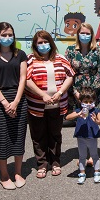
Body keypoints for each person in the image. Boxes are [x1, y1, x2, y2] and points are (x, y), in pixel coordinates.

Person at [25, 30, 75, 179]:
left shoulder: (60, 58)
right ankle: (42, 163)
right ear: (35, 45)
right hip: (37, 105)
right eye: (40, 42)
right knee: (38, 135)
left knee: (55, 135)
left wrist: (59, 93)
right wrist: (43, 95)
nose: (43, 45)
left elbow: (70, 76)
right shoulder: (30, 59)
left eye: (45, 42)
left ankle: (55, 162)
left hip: (57, 105)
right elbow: (26, 80)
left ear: (51, 43)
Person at [0, 22, 28, 190]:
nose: (7, 38)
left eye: (10, 35)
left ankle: (18, 172)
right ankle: (4, 175)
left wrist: (16, 102)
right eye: (4, 35)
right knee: (2, 140)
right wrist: (5, 103)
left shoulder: (21, 54)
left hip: (18, 99)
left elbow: (23, 78)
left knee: (18, 137)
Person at [65, 23, 100, 168]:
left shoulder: (97, 50)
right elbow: (67, 72)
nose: (85, 36)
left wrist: (91, 93)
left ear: (92, 35)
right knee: (81, 119)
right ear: (77, 34)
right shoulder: (70, 50)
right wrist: (76, 92)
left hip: (93, 93)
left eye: (88, 33)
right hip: (76, 90)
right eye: (82, 33)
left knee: (93, 119)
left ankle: (91, 154)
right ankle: (82, 154)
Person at [66, 87, 100, 184]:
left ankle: (96, 172)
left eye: (90, 101)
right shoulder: (79, 110)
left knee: (94, 155)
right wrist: (77, 115)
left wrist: (97, 121)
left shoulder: (95, 111)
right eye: (85, 101)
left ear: (94, 101)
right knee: (82, 156)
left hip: (92, 136)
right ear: (81, 101)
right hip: (81, 136)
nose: (88, 104)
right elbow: (67, 117)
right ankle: (82, 173)